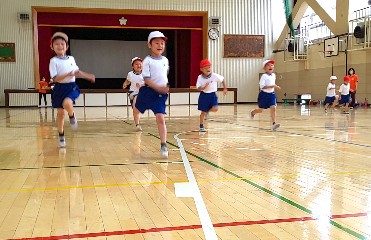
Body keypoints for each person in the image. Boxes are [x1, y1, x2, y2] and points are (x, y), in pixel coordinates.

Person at [49, 32, 95, 148]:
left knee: (67, 103)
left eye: (62, 44)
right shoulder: (53, 61)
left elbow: (76, 73)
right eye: (57, 44)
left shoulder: (71, 59)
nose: (60, 46)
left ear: (67, 46)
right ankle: (61, 135)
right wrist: (67, 74)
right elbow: (56, 78)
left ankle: (72, 115)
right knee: (60, 114)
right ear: (52, 47)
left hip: (71, 87)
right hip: (59, 88)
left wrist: (87, 76)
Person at [135, 31, 170, 158]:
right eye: (156, 43)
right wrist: (158, 87)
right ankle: (136, 117)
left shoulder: (165, 60)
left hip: (160, 95)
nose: (160, 45)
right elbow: (147, 79)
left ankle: (163, 144)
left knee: (160, 118)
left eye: (162, 43)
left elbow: (163, 76)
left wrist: (165, 87)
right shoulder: (147, 61)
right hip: (148, 91)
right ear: (149, 45)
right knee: (137, 109)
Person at [196, 59, 227, 132]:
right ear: (201, 69)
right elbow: (198, 88)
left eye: (209, 67)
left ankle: (207, 111)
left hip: (212, 95)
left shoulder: (214, 75)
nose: (208, 69)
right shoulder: (200, 77)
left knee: (215, 109)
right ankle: (201, 125)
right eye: (205, 67)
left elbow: (222, 79)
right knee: (203, 112)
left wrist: (225, 88)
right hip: (204, 95)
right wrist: (203, 87)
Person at [250, 59, 281, 131]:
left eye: (272, 65)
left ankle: (274, 124)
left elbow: (272, 84)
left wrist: (276, 86)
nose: (270, 66)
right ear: (265, 68)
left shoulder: (274, 75)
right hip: (264, 95)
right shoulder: (264, 76)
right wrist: (272, 86)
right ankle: (253, 112)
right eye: (268, 65)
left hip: (271, 95)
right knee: (261, 110)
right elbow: (262, 87)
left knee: (273, 108)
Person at [122, 57, 144, 131]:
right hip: (132, 93)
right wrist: (125, 84)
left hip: (141, 93)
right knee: (135, 110)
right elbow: (128, 81)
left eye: (140, 64)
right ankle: (137, 124)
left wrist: (141, 86)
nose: (139, 65)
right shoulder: (130, 74)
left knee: (136, 106)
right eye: (136, 64)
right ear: (133, 66)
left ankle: (138, 124)